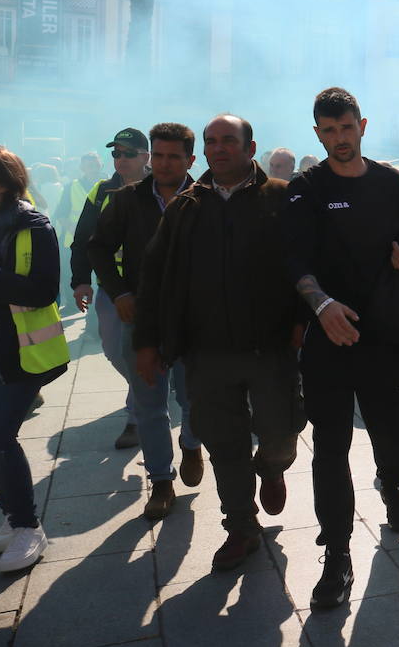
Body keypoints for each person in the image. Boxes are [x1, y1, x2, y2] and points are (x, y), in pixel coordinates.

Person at [134, 116, 304, 570]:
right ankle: (241, 528)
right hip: (206, 353)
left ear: (251, 147)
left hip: (270, 349)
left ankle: (270, 466)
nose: (219, 149)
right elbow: (154, 278)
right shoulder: (186, 208)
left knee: (282, 434)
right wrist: (147, 342)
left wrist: (303, 320)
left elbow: (307, 264)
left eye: (229, 141)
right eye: (211, 142)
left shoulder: (281, 199)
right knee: (224, 445)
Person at [285, 87, 399, 609]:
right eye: (329, 130)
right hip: (330, 339)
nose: (340, 139)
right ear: (317, 133)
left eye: (347, 128)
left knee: (391, 433)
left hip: (385, 338)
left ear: (362, 125)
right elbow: (294, 262)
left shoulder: (390, 182)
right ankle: (337, 555)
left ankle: (392, 485)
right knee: (331, 448)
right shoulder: (305, 189)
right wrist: (321, 306)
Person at [87, 123, 204, 520]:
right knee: (150, 404)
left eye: (175, 156)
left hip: (194, 321)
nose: (165, 163)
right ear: (150, 157)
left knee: (194, 399)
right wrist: (118, 292)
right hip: (142, 319)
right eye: (159, 155)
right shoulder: (128, 200)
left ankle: (191, 444)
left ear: (191, 159)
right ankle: (161, 481)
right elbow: (99, 248)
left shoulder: (204, 199)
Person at [0, 146, 70, 572]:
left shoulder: (33, 225)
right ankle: (12, 517)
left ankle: (27, 527)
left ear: (3, 183)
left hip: (22, 351)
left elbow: (44, 291)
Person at [69, 129, 148, 449]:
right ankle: (146, 391)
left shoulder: (162, 187)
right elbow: (83, 238)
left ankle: (136, 415)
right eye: (116, 154)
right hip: (109, 288)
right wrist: (80, 280)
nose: (121, 160)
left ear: (146, 156)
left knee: (139, 352)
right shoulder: (101, 191)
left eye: (128, 153)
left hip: (151, 288)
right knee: (114, 350)